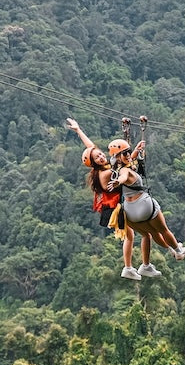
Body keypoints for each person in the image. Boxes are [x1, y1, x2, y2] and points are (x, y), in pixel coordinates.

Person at [66, 117, 160, 280]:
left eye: (101, 154)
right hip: (118, 208)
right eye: (98, 158)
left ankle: (132, 267)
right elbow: (125, 167)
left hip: (117, 206)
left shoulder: (103, 168)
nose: (102, 156)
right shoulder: (105, 173)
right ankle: (131, 267)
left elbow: (91, 147)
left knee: (133, 236)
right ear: (94, 163)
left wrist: (78, 130)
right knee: (134, 236)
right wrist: (133, 152)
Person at [109, 145, 185, 261]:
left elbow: (130, 161)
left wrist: (136, 150)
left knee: (152, 232)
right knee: (163, 230)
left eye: (128, 152)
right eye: (124, 154)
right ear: (118, 158)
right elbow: (124, 176)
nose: (128, 155)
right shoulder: (124, 171)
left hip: (129, 212)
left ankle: (170, 249)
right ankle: (178, 251)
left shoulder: (117, 169)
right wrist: (118, 182)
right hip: (143, 205)